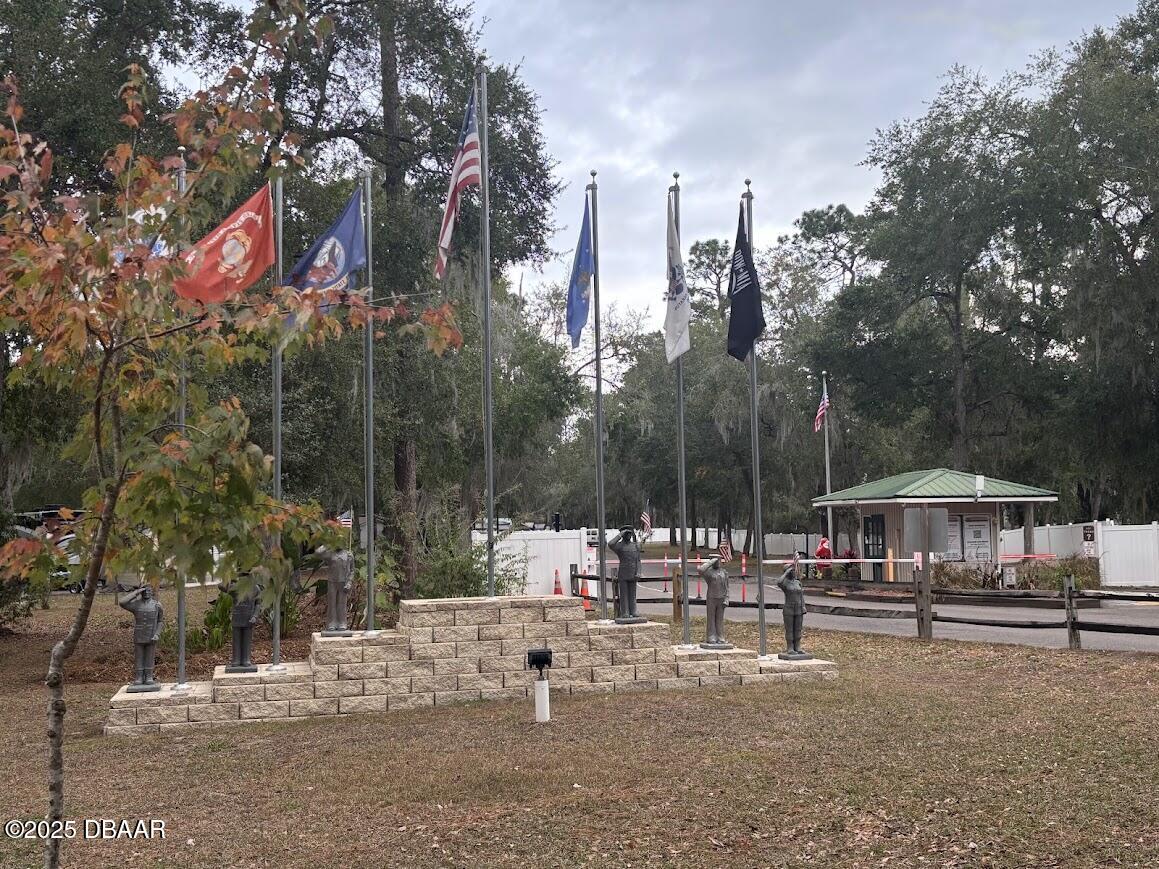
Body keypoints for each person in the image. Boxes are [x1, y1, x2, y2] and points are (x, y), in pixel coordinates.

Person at [119, 585, 164, 691]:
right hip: (139, 635)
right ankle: (139, 677)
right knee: (139, 657)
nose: (146, 593)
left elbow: (160, 621)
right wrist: (136, 592)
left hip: (151, 635)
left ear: (152, 592)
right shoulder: (136, 605)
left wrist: (157, 634)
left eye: (149, 590)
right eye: (144, 591)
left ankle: (149, 676)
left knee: (149, 656)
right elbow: (122, 602)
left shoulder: (157, 605)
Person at [608, 525, 646, 623]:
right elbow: (611, 544)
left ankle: (633, 611)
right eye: (627, 533)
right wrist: (620, 535)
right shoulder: (620, 546)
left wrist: (638, 572)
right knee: (624, 594)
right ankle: (625, 611)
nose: (629, 535)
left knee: (632, 594)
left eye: (630, 533)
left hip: (633, 573)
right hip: (623, 573)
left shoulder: (635, 545)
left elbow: (638, 560)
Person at [776, 553, 810, 659]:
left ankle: (798, 647)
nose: (793, 572)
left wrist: (804, 606)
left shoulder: (797, 582)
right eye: (791, 571)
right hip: (789, 608)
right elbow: (779, 582)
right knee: (789, 629)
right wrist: (786, 572)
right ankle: (790, 647)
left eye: (793, 570)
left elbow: (801, 595)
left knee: (798, 628)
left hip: (799, 607)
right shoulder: (785, 583)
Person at [698, 556, 732, 648]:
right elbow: (701, 570)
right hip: (712, 597)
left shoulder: (724, 572)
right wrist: (711, 562)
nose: (718, 562)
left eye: (719, 560)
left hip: (722, 598)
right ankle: (711, 636)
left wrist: (727, 598)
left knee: (719, 619)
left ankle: (720, 637)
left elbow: (727, 587)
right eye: (716, 561)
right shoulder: (709, 573)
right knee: (711, 618)